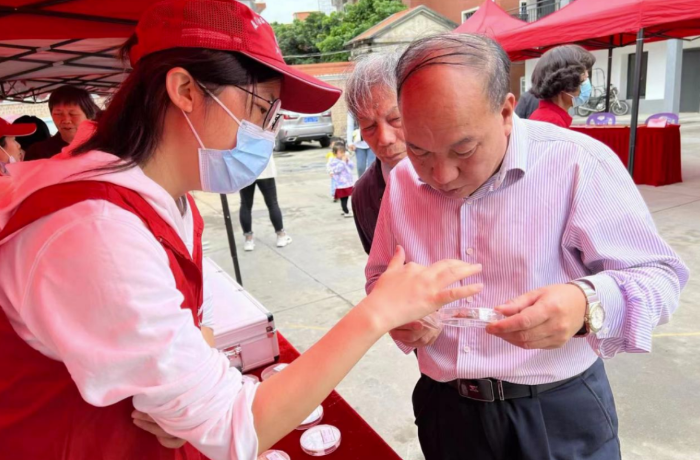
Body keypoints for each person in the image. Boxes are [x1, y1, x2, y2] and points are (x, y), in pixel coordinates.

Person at [0, 3, 483, 459]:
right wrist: (377, 312)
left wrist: (189, 373)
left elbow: (181, 335)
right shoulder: (96, 229)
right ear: (185, 90)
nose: (266, 133)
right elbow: (236, 428)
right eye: (261, 109)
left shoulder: (160, 195)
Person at [366, 33, 688, 460]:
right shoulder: (404, 180)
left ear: (504, 110)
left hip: (555, 411)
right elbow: (380, 277)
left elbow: (660, 278)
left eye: (463, 149)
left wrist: (585, 304)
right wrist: (400, 315)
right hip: (445, 409)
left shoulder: (577, 164)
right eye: (421, 150)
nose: (440, 175)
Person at [345, 51, 407, 254]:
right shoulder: (364, 196)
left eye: (396, 119)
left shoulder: (467, 172)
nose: (384, 138)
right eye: (369, 127)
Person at [24, 85, 101, 161]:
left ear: (89, 116)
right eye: (58, 114)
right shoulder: (38, 152)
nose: (66, 120)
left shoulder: (102, 147)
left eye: (73, 114)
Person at [528, 44, 595, 128]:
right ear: (566, 83)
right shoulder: (552, 122)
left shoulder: (549, 116)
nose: (586, 85)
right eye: (583, 79)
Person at [239, 155, 292, 251]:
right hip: (265, 168)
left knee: (245, 205)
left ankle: (248, 240)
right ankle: (280, 236)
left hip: (245, 169)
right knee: (272, 203)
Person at [327, 142, 355, 217]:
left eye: (343, 152)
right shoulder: (334, 161)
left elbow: (352, 167)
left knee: (346, 198)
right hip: (341, 184)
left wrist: (348, 161)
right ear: (335, 153)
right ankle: (346, 211)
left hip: (348, 182)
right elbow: (337, 170)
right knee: (343, 199)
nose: (343, 154)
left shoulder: (345, 159)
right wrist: (343, 162)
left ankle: (344, 209)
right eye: (341, 152)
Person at [346, 112, 375, 177]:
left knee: (372, 166)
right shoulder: (352, 110)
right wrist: (350, 142)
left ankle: (372, 184)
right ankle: (361, 184)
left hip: (372, 142)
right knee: (360, 167)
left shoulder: (370, 106)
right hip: (358, 144)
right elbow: (350, 126)